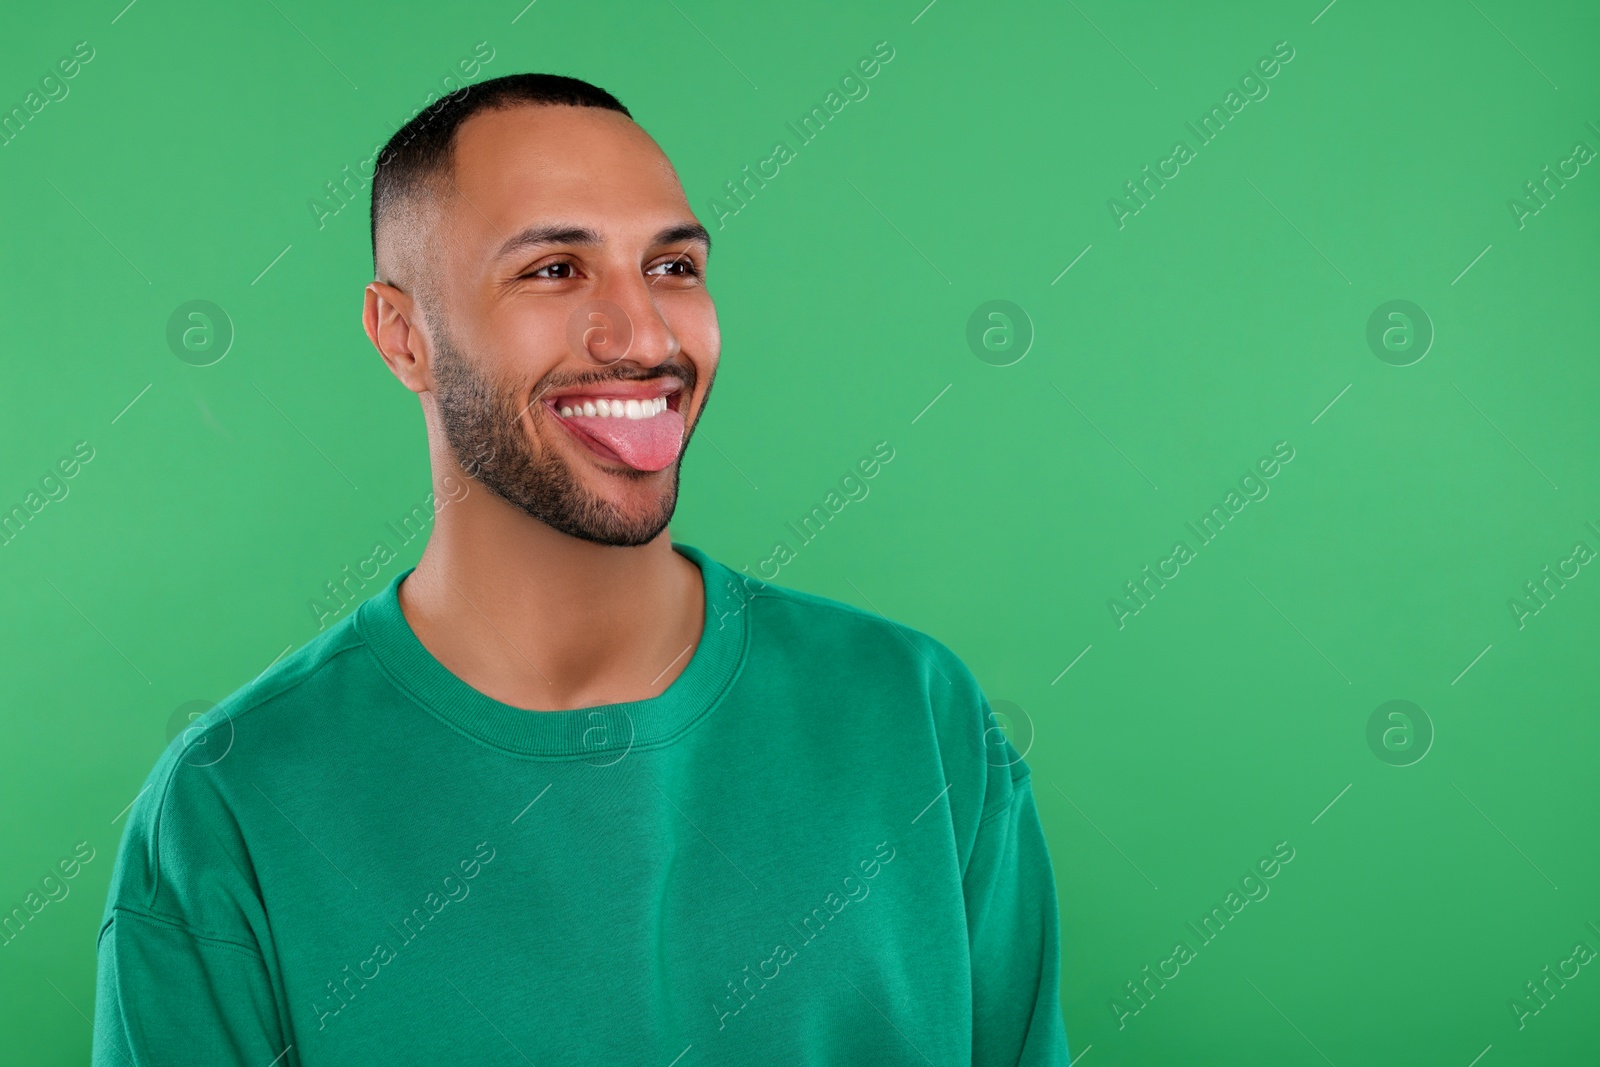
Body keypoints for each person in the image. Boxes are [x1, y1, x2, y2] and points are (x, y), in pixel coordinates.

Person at [92, 72, 1070, 1065]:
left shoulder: (914, 714)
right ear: (402, 334)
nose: (643, 334)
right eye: (554, 270)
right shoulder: (229, 809)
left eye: (673, 266)